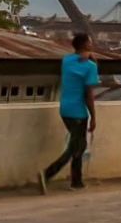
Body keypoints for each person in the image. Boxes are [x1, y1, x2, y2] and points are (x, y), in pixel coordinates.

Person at [39, 33, 112, 193]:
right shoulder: (90, 67)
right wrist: (93, 116)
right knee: (76, 146)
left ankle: (77, 181)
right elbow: (89, 94)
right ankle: (48, 173)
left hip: (65, 108)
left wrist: (88, 55)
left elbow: (80, 60)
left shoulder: (67, 60)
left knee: (78, 143)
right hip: (78, 111)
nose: (92, 44)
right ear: (86, 45)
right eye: (90, 42)